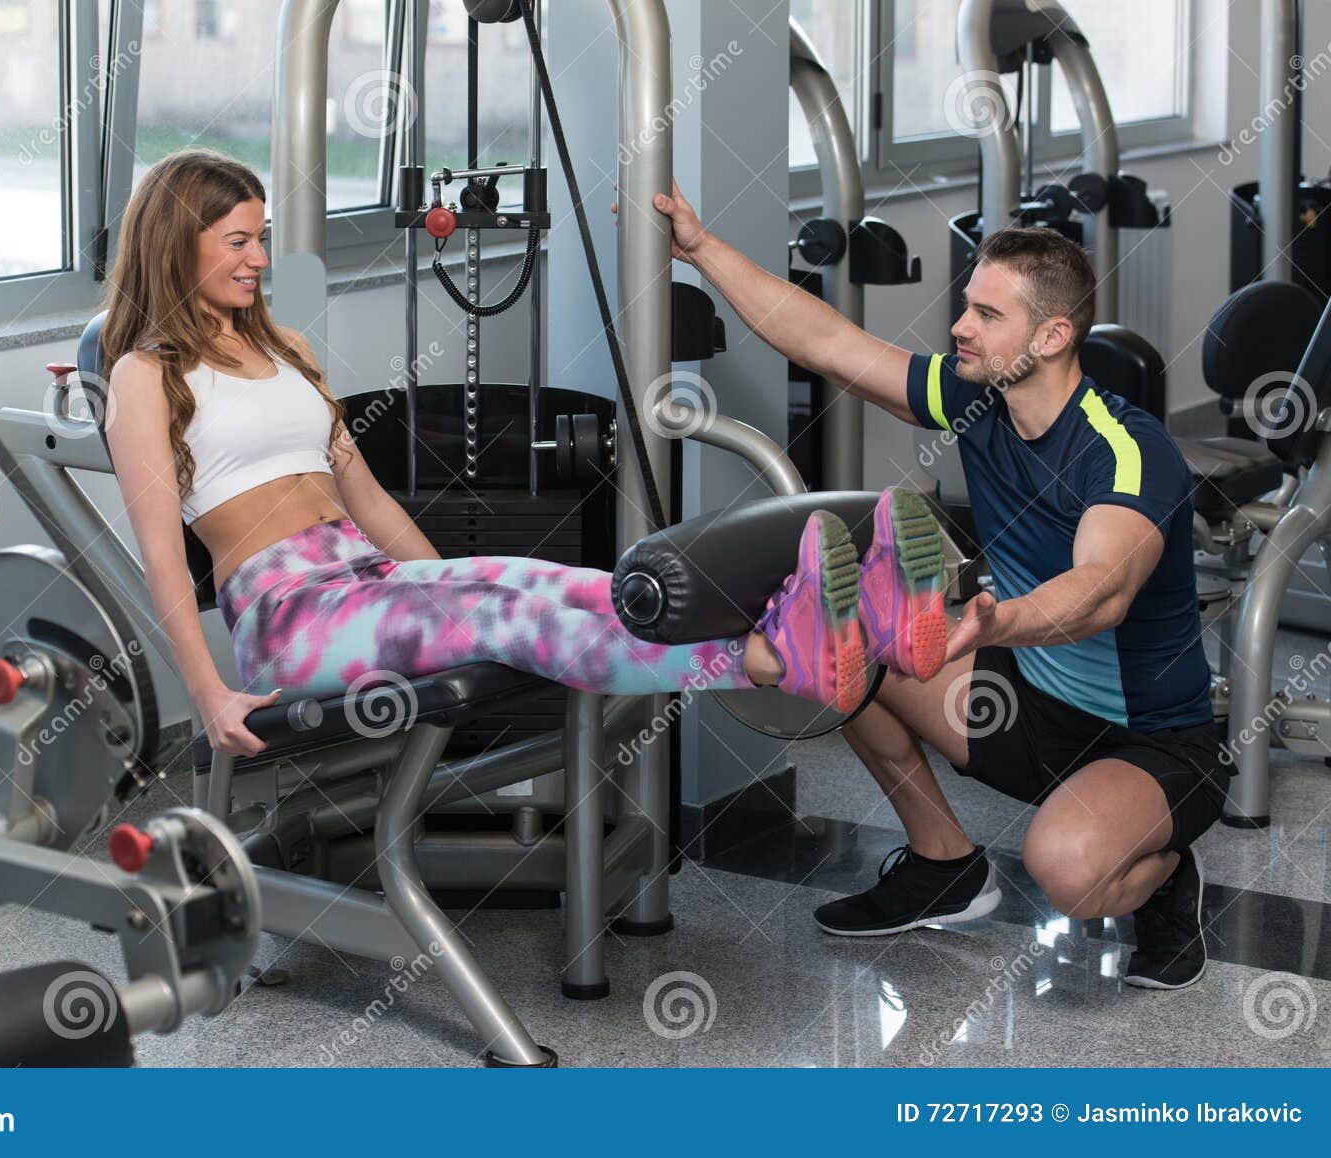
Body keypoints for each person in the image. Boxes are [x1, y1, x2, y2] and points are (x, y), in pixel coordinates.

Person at [100, 150, 947, 799]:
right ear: (180, 246)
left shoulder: (287, 351)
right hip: (287, 618)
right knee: (504, 614)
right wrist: (206, 695)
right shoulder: (147, 375)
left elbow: (365, 496)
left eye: (263, 239)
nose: (258, 259)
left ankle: (854, 618)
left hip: (365, 576)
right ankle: (769, 657)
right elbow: (163, 557)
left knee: (548, 582)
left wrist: (439, 579)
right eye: (238, 242)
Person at [649, 183, 1220, 990]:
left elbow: (1102, 591)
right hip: (1024, 705)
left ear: (1053, 335)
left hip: (1150, 742)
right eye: (967, 307)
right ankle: (943, 864)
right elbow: (827, 343)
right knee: (840, 650)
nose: (960, 326)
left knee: (1068, 870)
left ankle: (1162, 877)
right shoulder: (976, 399)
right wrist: (702, 250)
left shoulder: (1125, 451)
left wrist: (992, 624)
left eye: (987, 315)